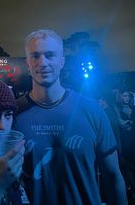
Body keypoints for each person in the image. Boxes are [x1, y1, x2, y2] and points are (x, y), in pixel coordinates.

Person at [15, 29, 127, 205]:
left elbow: (113, 177)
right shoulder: (13, 114)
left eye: (50, 55)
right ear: (27, 64)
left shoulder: (92, 110)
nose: (42, 62)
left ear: (62, 61)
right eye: (35, 56)